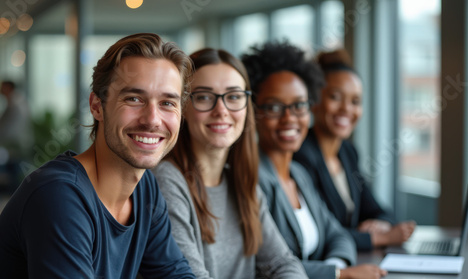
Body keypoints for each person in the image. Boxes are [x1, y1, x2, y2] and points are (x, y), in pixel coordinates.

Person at [0, 33, 195, 279]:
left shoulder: (145, 188)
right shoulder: (58, 195)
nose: (153, 119)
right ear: (96, 106)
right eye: (134, 99)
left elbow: (174, 273)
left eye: (167, 103)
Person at [152, 48, 308, 279]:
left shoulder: (242, 182)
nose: (221, 110)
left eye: (234, 96)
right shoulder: (166, 180)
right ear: (183, 106)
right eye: (204, 96)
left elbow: (282, 264)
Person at [242, 41, 387, 279]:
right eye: (275, 107)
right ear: (254, 112)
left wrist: (336, 264)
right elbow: (264, 266)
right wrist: (338, 274)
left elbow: (337, 235)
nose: (289, 118)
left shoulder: (298, 175)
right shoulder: (251, 179)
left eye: (299, 105)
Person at [292, 49, 416, 251]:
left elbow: (377, 209)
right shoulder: (301, 156)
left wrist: (380, 224)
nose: (347, 109)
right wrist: (378, 239)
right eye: (335, 97)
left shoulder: (347, 152)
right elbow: (317, 231)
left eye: (355, 101)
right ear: (313, 102)